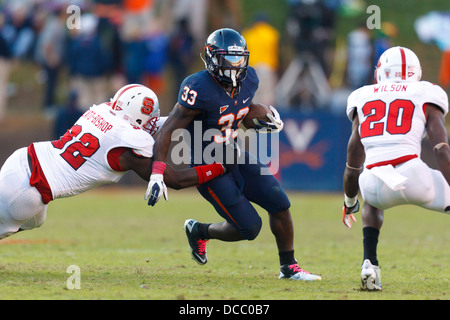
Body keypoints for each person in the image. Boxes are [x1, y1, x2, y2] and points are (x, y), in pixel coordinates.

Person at [146, 28, 321, 281]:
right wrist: (157, 173)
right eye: (227, 59)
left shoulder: (249, 79)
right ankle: (200, 230)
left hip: (235, 155)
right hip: (208, 166)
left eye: (238, 59)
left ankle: (289, 267)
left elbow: (242, 111)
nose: (233, 66)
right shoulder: (197, 87)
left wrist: (262, 119)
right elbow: (168, 131)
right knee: (250, 228)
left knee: (280, 203)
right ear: (211, 58)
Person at [0, 84, 227, 240]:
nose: (151, 123)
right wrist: (220, 167)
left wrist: (190, 116)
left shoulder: (102, 110)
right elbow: (174, 180)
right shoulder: (129, 141)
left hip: (23, 158)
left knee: (36, 221)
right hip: (31, 190)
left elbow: (154, 124)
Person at [342, 46, 450, 291]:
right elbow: (441, 149)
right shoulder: (426, 92)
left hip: (371, 181)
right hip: (412, 175)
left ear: (381, 72)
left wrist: (349, 201)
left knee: (372, 199)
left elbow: (353, 159)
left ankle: (369, 263)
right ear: (416, 73)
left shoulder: (362, 95)